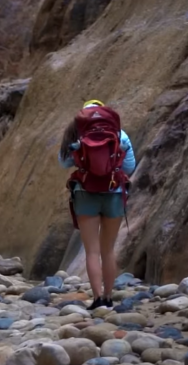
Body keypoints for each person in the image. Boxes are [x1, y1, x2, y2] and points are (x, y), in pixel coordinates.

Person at [58, 100, 136, 310]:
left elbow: (63, 162)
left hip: (85, 193)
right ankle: (109, 298)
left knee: (91, 251)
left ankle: (98, 298)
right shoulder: (120, 133)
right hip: (114, 192)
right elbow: (129, 167)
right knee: (108, 250)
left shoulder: (75, 132)